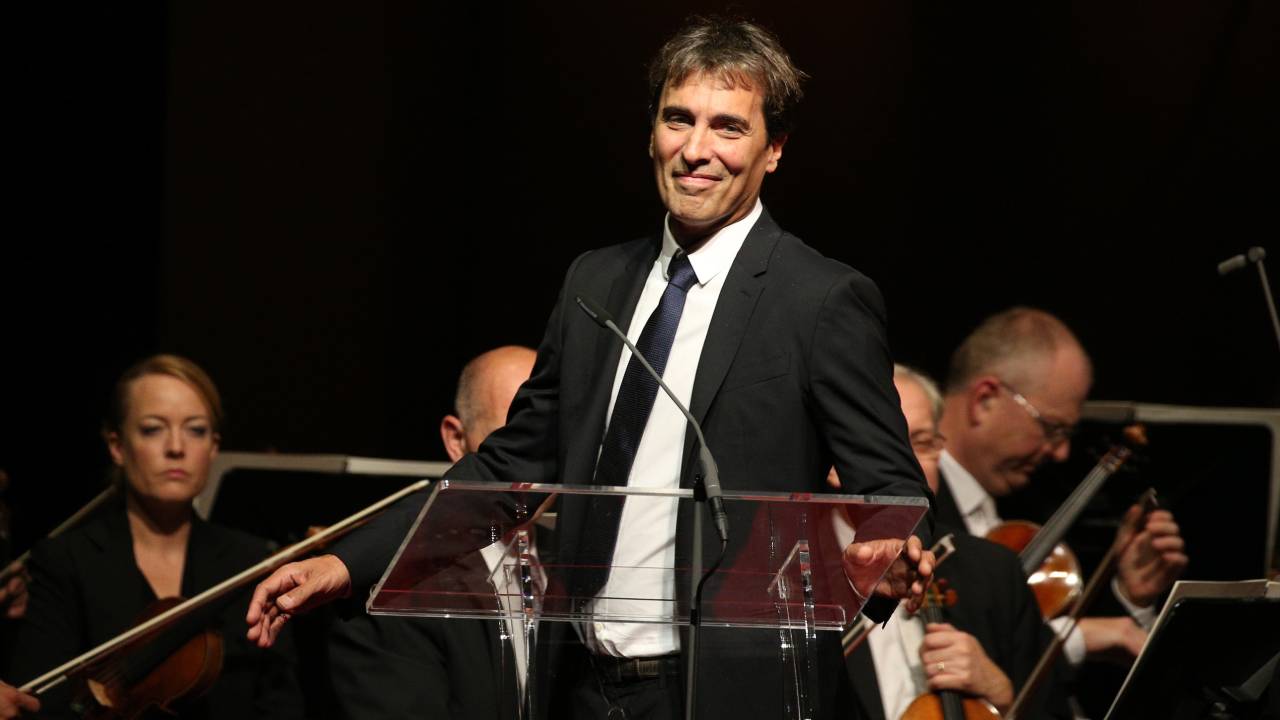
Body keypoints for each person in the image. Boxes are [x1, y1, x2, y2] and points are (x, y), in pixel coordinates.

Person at [248, 16, 935, 720]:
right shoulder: (595, 283)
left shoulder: (819, 299)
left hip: (728, 693)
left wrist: (887, 554)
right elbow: (507, 470)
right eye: (678, 119)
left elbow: (890, 487)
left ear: (774, 150)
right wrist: (346, 563)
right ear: (651, 131)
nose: (695, 149)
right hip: (580, 686)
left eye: (728, 127)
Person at [5, 354, 302, 719]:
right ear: (117, 446)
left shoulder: (254, 562)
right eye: (152, 429)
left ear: (213, 448)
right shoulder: (65, 560)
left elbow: (281, 704)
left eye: (195, 430)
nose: (176, 447)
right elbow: (38, 705)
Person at [933, 308, 1188, 703]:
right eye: (1052, 428)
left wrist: (1129, 597)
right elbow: (955, 647)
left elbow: (1062, 695)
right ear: (984, 400)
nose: (1062, 452)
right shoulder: (919, 512)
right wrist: (1079, 636)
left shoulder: (1027, 505)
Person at [840, 365, 1070, 719]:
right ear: (834, 462)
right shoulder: (792, 573)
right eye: (888, 447)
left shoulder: (995, 572)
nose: (909, 468)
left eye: (923, 444)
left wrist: (1002, 694)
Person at [327, 345, 536, 720]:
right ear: (457, 440)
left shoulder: (586, 563)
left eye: (554, 439)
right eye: (514, 441)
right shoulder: (395, 587)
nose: (537, 460)